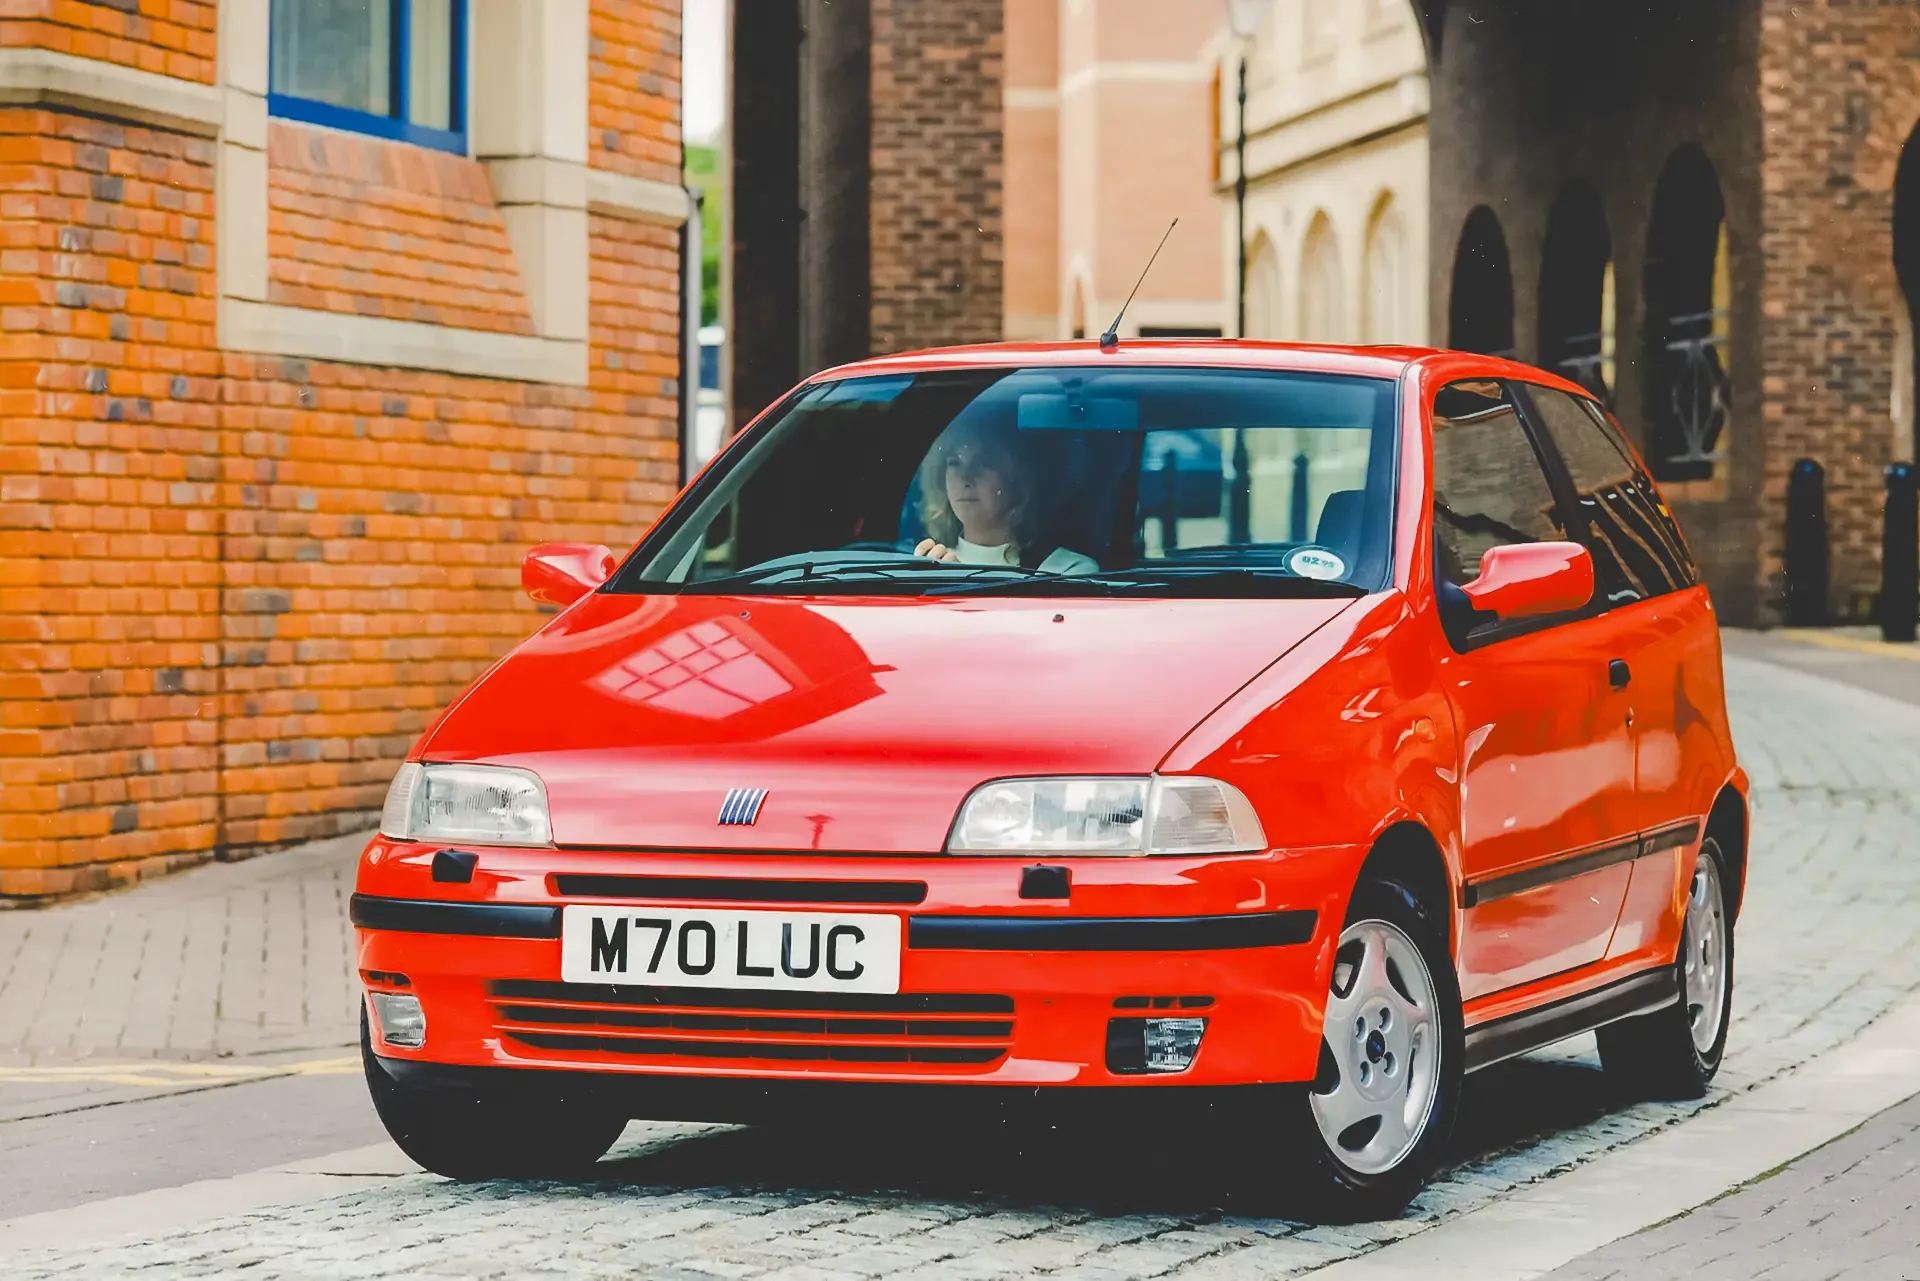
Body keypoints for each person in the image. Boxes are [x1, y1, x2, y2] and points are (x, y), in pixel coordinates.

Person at [912, 419, 1098, 575]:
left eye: (984, 463)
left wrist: (959, 584)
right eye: (954, 463)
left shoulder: (1065, 571)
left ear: (1018, 478)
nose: (965, 478)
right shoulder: (920, 564)